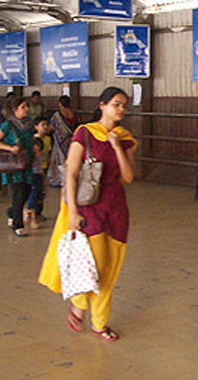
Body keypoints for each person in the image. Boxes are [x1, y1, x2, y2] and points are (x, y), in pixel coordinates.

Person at [38, 87, 137, 342]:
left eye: (124, 105)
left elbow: (128, 177)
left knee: (110, 269)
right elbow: (70, 174)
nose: (121, 110)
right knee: (96, 265)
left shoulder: (124, 138)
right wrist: (72, 212)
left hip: (115, 209)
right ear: (102, 105)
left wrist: (116, 146)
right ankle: (80, 303)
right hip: (88, 207)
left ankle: (99, 323)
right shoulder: (85, 133)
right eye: (116, 104)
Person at [0, 96, 34, 237]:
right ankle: (18, 225)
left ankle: (11, 212)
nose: (26, 109)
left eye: (27, 106)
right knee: (18, 193)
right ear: (14, 110)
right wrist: (9, 148)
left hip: (26, 163)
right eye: (23, 107)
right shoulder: (7, 125)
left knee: (26, 192)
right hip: (13, 165)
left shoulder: (29, 124)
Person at [25, 116, 52, 230]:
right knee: (33, 195)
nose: (45, 127)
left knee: (40, 194)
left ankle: (36, 213)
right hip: (33, 173)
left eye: (46, 124)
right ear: (36, 127)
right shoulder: (33, 141)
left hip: (41, 170)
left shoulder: (47, 139)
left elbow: (47, 154)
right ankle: (32, 216)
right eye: (42, 125)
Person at [47, 95, 79, 187]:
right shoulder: (74, 114)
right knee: (70, 159)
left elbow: (52, 127)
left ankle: (59, 179)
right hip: (71, 141)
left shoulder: (57, 115)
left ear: (60, 104)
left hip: (60, 142)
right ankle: (71, 178)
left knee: (59, 160)